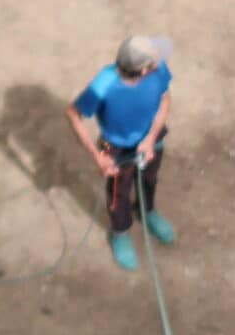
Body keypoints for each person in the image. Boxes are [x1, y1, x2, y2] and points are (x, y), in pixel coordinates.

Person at [67, 36, 176, 274]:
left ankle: (147, 211)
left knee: (149, 178)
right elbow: (73, 114)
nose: (160, 61)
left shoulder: (159, 71)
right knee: (118, 193)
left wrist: (150, 139)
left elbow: (165, 100)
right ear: (144, 69)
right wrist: (97, 155)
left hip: (150, 138)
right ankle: (120, 233)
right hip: (113, 146)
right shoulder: (103, 85)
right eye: (154, 61)